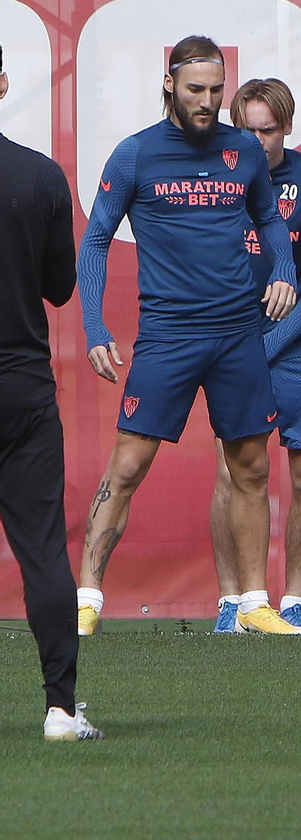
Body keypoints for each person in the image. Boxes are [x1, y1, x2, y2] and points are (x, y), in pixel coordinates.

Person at [75, 35, 301, 636]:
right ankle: (87, 600)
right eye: (195, 89)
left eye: (215, 90)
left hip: (236, 333)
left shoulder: (244, 152)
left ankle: (255, 602)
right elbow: (96, 239)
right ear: (169, 86)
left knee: (250, 466)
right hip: (169, 335)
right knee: (126, 467)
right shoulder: (134, 155)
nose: (207, 101)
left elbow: (270, 222)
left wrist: (283, 271)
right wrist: (95, 325)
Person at [206, 79, 301, 633]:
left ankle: (291, 602)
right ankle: (232, 601)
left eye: (267, 130)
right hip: (235, 343)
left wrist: (273, 341)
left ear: (286, 127)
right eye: (246, 129)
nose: (257, 140)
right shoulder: (213, 181)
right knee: (232, 472)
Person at [0, 44, 104, 739]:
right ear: (3, 81)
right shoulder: (39, 176)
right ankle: (60, 709)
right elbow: (61, 288)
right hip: (21, 389)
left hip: (21, 384)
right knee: (42, 550)